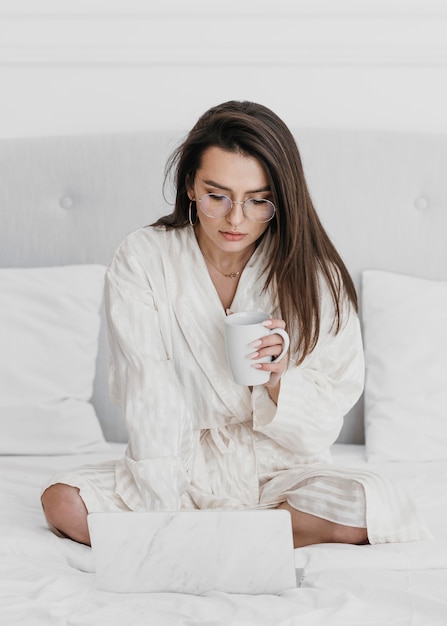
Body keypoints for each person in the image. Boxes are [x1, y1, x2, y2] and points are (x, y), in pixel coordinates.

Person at [41, 100, 428, 547]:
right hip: (177, 466)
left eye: (258, 200)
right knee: (62, 502)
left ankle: (200, 543)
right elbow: (147, 390)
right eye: (217, 195)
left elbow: (326, 417)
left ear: (280, 199)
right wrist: (161, 507)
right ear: (190, 185)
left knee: (374, 505)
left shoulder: (314, 275)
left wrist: (279, 382)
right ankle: (237, 540)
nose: (236, 219)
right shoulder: (143, 257)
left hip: (280, 473)